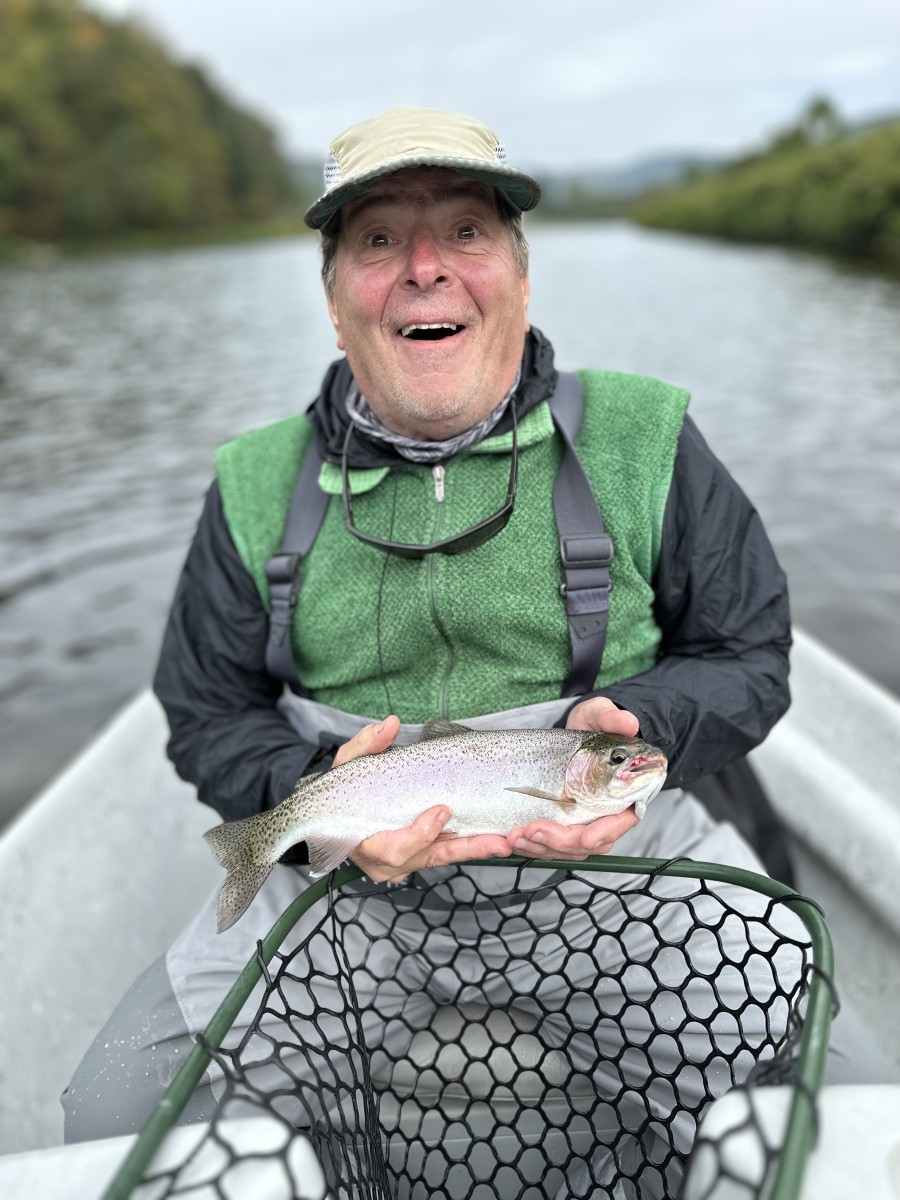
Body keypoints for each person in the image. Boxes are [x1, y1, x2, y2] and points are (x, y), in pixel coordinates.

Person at [60, 107, 881, 1186]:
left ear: (523, 277)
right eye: (378, 240)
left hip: (622, 865)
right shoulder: (251, 483)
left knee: (851, 1110)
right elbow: (208, 713)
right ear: (335, 298)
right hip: (341, 885)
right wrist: (313, 804)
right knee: (115, 1118)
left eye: (466, 231)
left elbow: (749, 656)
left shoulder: (650, 436)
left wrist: (650, 729)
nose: (424, 270)